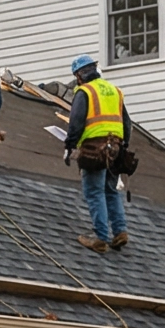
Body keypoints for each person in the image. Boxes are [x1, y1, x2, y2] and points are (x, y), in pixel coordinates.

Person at [62, 53, 130, 252]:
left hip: (94, 150)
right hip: (115, 148)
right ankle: (120, 232)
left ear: (79, 75)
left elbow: (76, 122)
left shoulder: (85, 92)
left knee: (94, 191)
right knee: (110, 190)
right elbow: (126, 123)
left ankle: (100, 237)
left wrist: (69, 146)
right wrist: (124, 147)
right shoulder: (114, 91)